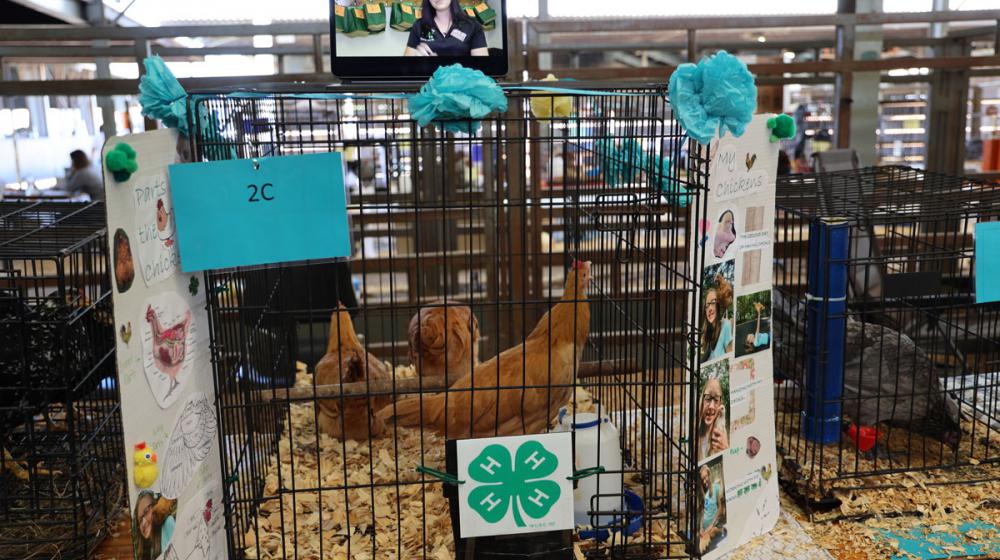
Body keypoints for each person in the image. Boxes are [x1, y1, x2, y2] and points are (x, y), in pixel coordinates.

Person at [405, 0, 488, 57]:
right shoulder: (418, 25)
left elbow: (482, 69)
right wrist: (416, 58)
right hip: (430, 81)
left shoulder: (472, 25)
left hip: (462, 81)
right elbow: (406, 68)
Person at [133, 491, 177, 560]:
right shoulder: (144, 550)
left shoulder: (168, 523)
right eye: (140, 520)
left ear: (155, 506)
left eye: (146, 511)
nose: (144, 522)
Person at [700, 273, 734, 363]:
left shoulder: (725, 325)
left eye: (713, 302)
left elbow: (731, 359)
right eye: (707, 305)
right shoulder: (707, 332)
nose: (709, 308)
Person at [698, 378, 729, 460]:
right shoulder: (692, 431)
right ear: (702, 400)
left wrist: (726, 450)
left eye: (716, 400)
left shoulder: (722, 436)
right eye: (708, 398)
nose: (711, 406)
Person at [699, 465, 725, 553]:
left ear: (709, 475)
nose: (704, 480)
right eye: (702, 479)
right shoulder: (704, 494)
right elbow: (703, 512)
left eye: (706, 476)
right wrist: (701, 527)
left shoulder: (716, 487)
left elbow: (720, 508)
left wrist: (712, 525)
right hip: (705, 529)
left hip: (713, 526)